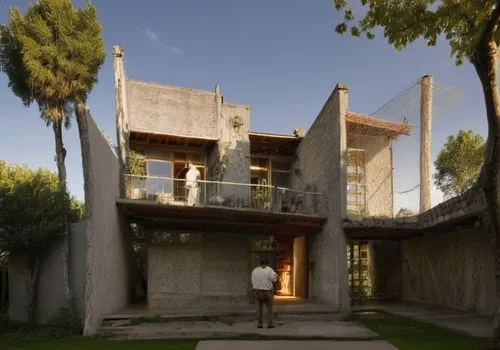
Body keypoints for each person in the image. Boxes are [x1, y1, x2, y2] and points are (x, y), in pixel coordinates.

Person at [251, 256, 278, 328]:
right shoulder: (270, 270)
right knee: (269, 309)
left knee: (258, 309)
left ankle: (260, 324)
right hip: (267, 292)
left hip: (257, 291)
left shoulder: (255, 271)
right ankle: (269, 323)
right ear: (267, 263)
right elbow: (274, 279)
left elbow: (253, 282)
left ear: (260, 263)